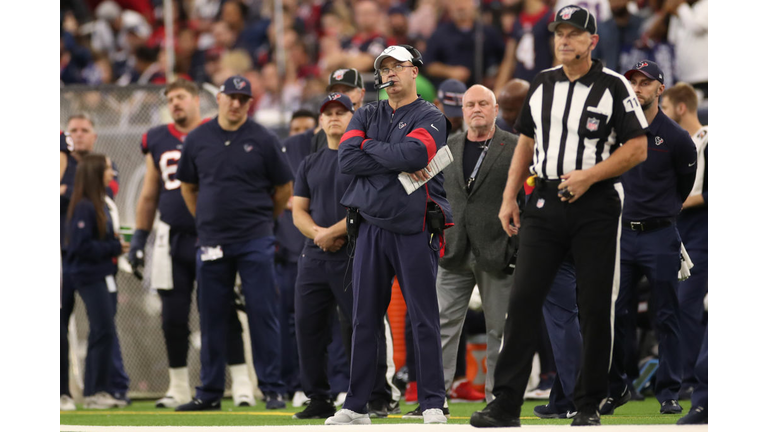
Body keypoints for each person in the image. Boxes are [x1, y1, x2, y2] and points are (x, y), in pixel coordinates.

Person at [470, 6, 648, 427]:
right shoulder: (543, 84)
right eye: (559, 34)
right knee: (523, 301)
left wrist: (590, 176)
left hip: (597, 204)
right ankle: (506, 405)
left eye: (573, 34)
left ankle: (587, 405)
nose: (564, 40)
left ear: (592, 41)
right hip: (545, 201)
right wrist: (509, 197)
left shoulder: (614, 87)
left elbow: (637, 147)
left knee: (594, 306)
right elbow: (526, 144)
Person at [325, 44, 452, 425]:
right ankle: (356, 405)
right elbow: (346, 161)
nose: (390, 73)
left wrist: (368, 146)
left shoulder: (432, 116)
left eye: (398, 66)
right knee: (364, 319)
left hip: (414, 228)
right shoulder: (365, 111)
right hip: (370, 227)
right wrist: (387, 152)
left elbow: (415, 157)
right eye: (384, 68)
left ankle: (432, 401)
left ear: (415, 72)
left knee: (423, 317)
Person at [128, 79, 256, 409]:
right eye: (170, 99)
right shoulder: (156, 138)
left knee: (223, 309)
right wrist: (139, 238)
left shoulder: (216, 131)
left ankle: (242, 383)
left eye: (181, 96)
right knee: (173, 315)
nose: (175, 103)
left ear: (197, 99)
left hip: (212, 235)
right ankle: (179, 386)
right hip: (171, 237)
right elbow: (149, 193)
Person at [175, 75, 293, 411]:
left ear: (249, 103)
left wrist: (264, 222)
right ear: (220, 99)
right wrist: (205, 221)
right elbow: (188, 187)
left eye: (244, 98)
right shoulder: (198, 138)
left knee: (263, 313)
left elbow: (284, 188)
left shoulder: (263, 138)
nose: (237, 103)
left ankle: (272, 388)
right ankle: (209, 392)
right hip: (212, 240)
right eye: (232, 97)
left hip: (255, 238)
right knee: (212, 316)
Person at [602, 60, 697, 416]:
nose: (638, 88)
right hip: (620, 235)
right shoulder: (614, 132)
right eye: (633, 82)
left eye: (645, 82)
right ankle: (617, 387)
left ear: (661, 88)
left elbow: (683, 186)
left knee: (667, 314)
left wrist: (664, 215)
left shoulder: (676, 137)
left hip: (660, 234)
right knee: (615, 313)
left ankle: (669, 390)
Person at [437, 84, 519, 404]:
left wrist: (518, 241)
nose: (476, 109)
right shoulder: (448, 146)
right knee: (441, 325)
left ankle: (497, 398)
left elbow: (528, 195)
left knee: (499, 329)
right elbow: (426, 189)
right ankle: (434, 397)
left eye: (483, 103)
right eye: (470, 104)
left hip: (499, 249)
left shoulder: (514, 146)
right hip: (454, 248)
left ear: (496, 109)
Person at [291, 93, 358, 419]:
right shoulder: (309, 163)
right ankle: (318, 397)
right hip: (314, 256)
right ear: (320, 121)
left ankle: (368, 395)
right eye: (328, 113)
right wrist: (319, 234)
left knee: (360, 327)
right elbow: (298, 211)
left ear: (352, 117)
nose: (334, 117)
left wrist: (332, 232)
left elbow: (368, 207)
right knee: (307, 327)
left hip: (353, 254)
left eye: (340, 112)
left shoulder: (363, 159)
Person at [60, 115, 129, 410]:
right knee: (83, 327)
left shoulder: (95, 199)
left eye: (83, 130)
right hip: (81, 269)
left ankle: (102, 388)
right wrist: (115, 246)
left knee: (103, 329)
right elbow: (80, 244)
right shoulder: (87, 205)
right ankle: (75, 390)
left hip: (96, 270)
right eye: (72, 131)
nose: (111, 173)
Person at [661, 81, 708, 399]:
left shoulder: (710, 140)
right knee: (676, 306)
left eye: (665, 108)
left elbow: (709, 194)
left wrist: (672, 203)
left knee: (688, 304)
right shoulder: (683, 142)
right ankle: (684, 375)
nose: (662, 114)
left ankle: (693, 378)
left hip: (703, 232)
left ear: (680, 107)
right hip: (680, 232)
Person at [423, 0, 506, 86]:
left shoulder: (487, 32)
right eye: (455, 3)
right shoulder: (439, 33)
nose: (460, 7)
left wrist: (496, 79)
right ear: (449, 7)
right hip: (450, 89)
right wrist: (449, 72)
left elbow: (505, 60)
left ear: (474, 4)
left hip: (481, 89)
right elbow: (429, 65)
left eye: (464, 2)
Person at [311, 68, 366, 153]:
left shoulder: (373, 128)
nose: (340, 95)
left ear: (362, 94)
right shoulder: (321, 135)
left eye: (347, 90)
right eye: (335, 91)